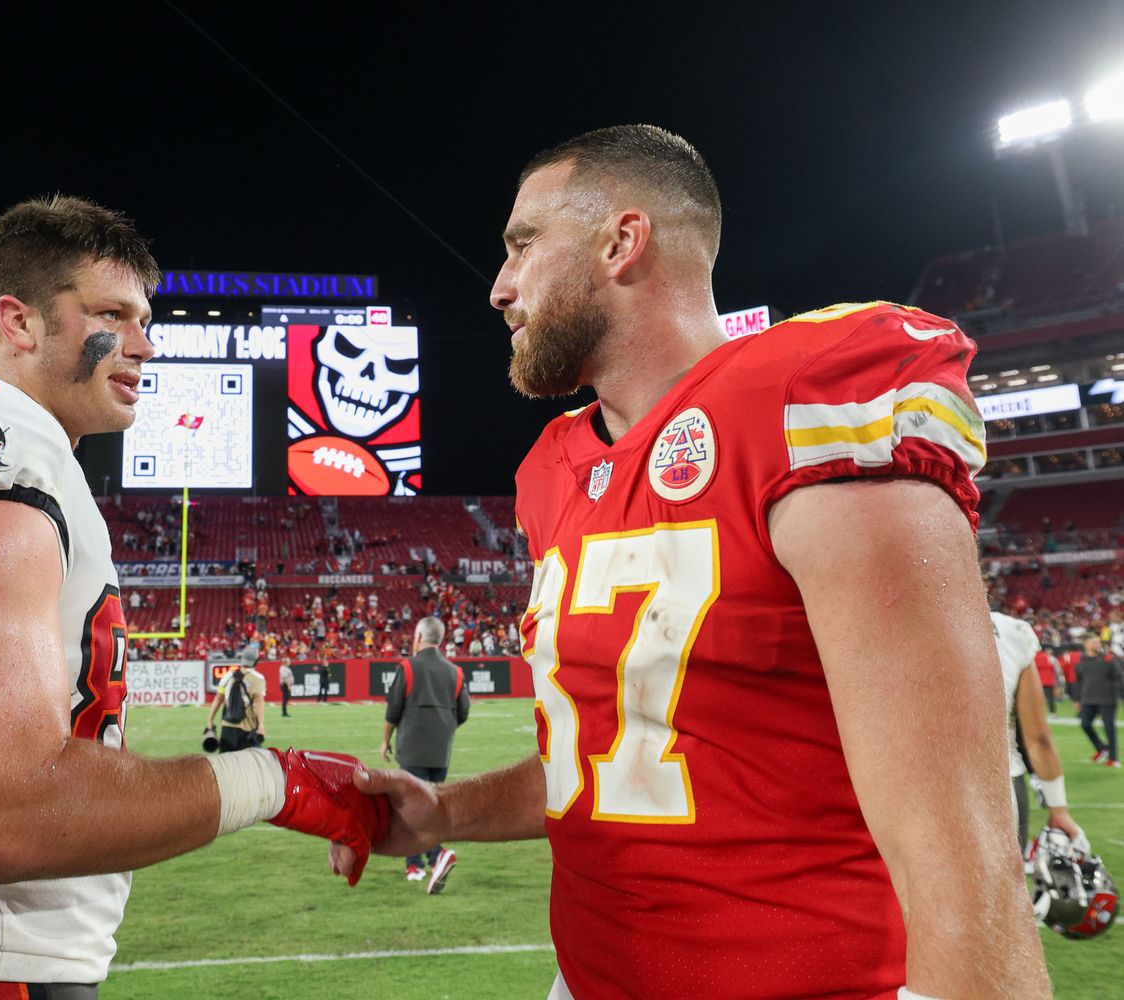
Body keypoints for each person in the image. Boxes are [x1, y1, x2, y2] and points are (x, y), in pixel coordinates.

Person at [340, 125, 1049, 998]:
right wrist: (443, 812)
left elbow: (962, 852)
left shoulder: (807, 402)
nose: (499, 287)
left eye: (524, 245)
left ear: (620, 241)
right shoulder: (552, 472)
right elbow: (611, 759)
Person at [0, 196, 387, 1000]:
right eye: (113, 313)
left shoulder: (20, 450)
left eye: (146, 318)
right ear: (20, 322)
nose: (145, 343)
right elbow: (11, 812)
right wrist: (279, 784)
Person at [381, 616, 468, 893]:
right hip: (441, 751)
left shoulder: (407, 667)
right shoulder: (455, 672)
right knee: (430, 806)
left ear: (418, 636)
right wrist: (443, 729)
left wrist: (385, 741)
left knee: (410, 808)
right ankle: (422, 862)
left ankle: (427, 859)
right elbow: (463, 712)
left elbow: (393, 710)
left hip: (412, 749)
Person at [991, 612, 1084, 849]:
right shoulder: (1011, 631)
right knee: (1005, 883)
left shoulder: (902, 624)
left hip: (916, 791)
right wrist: (1059, 809)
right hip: (1001, 783)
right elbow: (1038, 739)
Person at [1076, 633, 1124, 767]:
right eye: (1094, 642)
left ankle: (1113, 759)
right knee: (1085, 724)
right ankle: (1102, 748)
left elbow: (1119, 676)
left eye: (1098, 642)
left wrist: (1116, 693)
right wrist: (1078, 699)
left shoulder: (1108, 658)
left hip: (1107, 699)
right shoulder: (1081, 660)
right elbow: (1080, 680)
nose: (1097, 645)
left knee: (1109, 728)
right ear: (1086, 644)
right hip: (1088, 699)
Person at [207, 652, 268, 752]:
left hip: (227, 727)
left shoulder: (228, 676)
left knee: (226, 764)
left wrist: (210, 720)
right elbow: (259, 702)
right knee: (248, 764)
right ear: (256, 661)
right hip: (246, 727)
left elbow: (218, 699)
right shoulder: (258, 678)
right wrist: (261, 725)